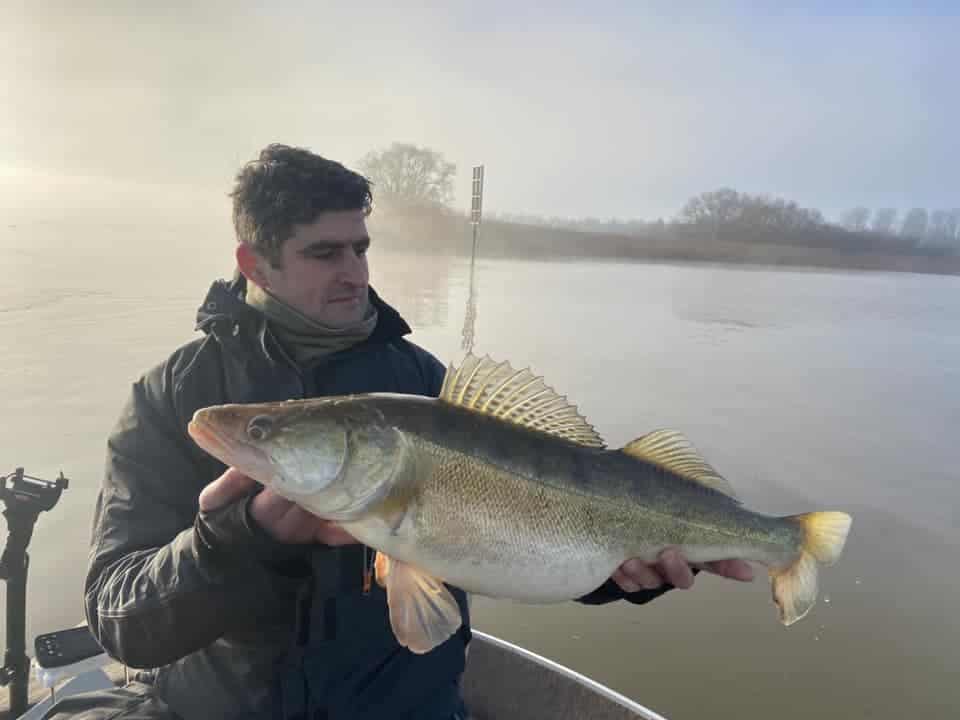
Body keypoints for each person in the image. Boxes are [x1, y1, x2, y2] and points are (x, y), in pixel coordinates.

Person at [55, 144, 753, 720]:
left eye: (361, 247)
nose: (355, 273)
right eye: (325, 253)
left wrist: (627, 574)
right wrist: (240, 538)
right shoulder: (173, 398)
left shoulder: (427, 383)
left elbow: (533, 537)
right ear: (255, 263)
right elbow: (121, 623)